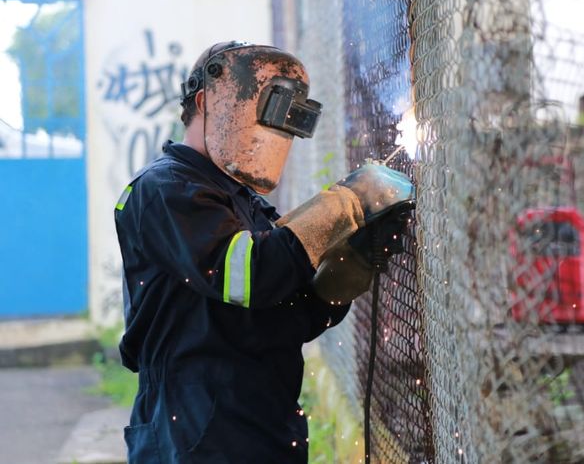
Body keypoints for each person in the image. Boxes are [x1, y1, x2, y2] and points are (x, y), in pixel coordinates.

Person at [114, 41, 414, 463]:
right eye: (268, 108)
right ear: (206, 101)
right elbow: (251, 275)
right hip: (196, 437)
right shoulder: (165, 190)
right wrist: (342, 204)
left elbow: (288, 313)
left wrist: (355, 257)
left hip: (263, 428)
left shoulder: (244, 204)